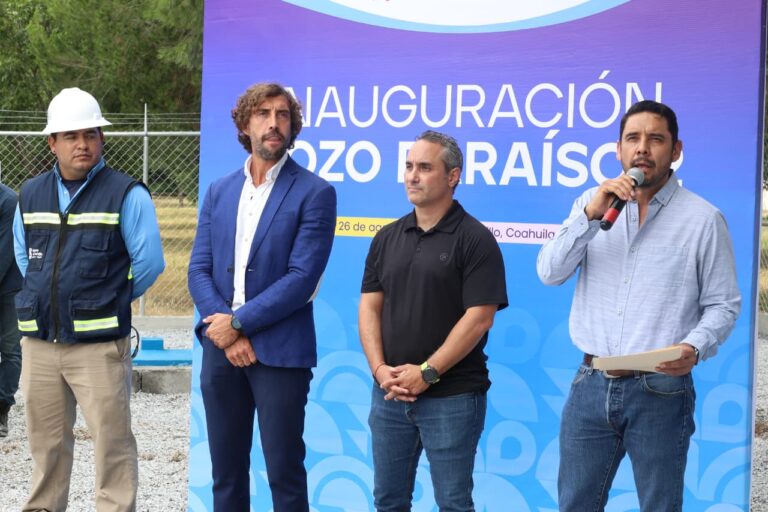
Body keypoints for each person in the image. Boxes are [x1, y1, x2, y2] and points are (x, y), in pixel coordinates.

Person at [537, 100, 741, 511]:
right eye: (633, 138)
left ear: (676, 150)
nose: (643, 148)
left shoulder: (703, 219)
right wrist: (591, 216)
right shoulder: (591, 206)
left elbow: (723, 304)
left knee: (659, 506)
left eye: (655, 139)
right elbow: (550, 272)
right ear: (619, 150)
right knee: (575, 503)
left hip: (660, 386)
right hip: (590, 382)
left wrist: (694, 347)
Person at [12, 87, 165, 511]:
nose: (83, 144)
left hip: (99, 348)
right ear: (52, 143)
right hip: (40, 345)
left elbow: (150, 262)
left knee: (112, 446)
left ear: (102, 139)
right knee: (45, 446)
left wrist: (108, 300)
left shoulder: (126, 194)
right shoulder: (30, 194)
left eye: (91, 134)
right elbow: (26, 258)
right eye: (71, 135)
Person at [188, 82, 337, 511]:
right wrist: (225, 331)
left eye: (283, 115)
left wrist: (238, 324)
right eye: (263, 114)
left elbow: (301, 278)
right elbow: (198, 268)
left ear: (293, 127)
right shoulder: (219, 190)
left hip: (280, 354)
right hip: (221, 351)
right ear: (244, 123)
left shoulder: (315, 192)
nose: (274, 124)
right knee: (225, 475)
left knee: (284, 474)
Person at [358, 130, 508, 511]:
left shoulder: (476, 239)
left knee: (453, 504)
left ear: (453, 176)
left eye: (425, 167)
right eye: (409, 166)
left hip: (453, 397)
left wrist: (426, 372)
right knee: (388, 502)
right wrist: (379, 370)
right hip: (390, 394)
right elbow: (369, 308)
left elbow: (479, 318)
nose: (412, 175)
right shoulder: (386, 237)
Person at [0, 182, 22, 438]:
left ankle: (2, 406)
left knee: (10, 349)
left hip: (9, 287)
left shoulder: (8, 201)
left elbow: (5, 253)